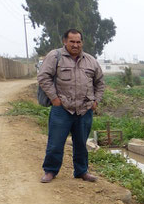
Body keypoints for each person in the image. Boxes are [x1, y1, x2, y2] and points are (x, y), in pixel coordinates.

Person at [37, 29, 105, 183]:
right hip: (62, 108)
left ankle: (82, 171)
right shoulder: (55, 57)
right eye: (72, 41)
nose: (75, 45)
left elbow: (100, 83)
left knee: (81, 143)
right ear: (65, 41)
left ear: (82, 43)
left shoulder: (91, 61)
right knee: (55, 143)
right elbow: (43, 77)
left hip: (84, 110)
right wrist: (54, 98)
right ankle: (50, 171)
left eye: (78, 42)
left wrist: (96, 101)